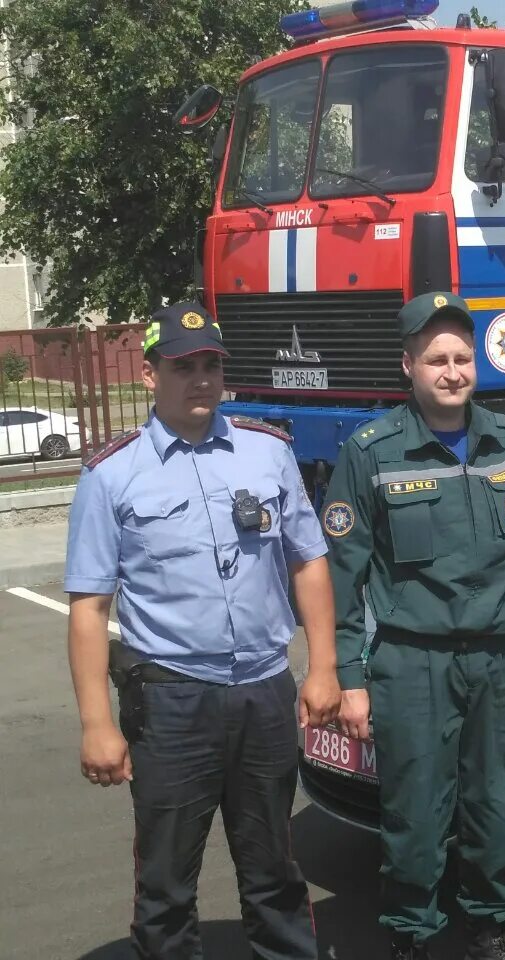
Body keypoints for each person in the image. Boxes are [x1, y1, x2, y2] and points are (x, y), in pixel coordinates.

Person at [65, 302, 340, 960]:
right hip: (172, 701)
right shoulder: (111, 475)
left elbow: (308, 561)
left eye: (211, 364)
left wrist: (323, 666)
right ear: (149, 374)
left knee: (273, 868)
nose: (201, 378)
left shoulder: (267, 453)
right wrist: (97, 723)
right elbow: (89, 609)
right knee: (165, 883)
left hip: (264, 692)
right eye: (183, 365)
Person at [322, 291, 505, 960]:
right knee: (415, 809)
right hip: (411, 661)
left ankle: (489, 921)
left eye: (461, 357)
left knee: (494, 800)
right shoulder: (372, 452)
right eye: (437, 360)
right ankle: (412, 931)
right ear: (409, 365)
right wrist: (351, 678)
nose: (453, 371)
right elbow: (343, 578)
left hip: (496, 657)